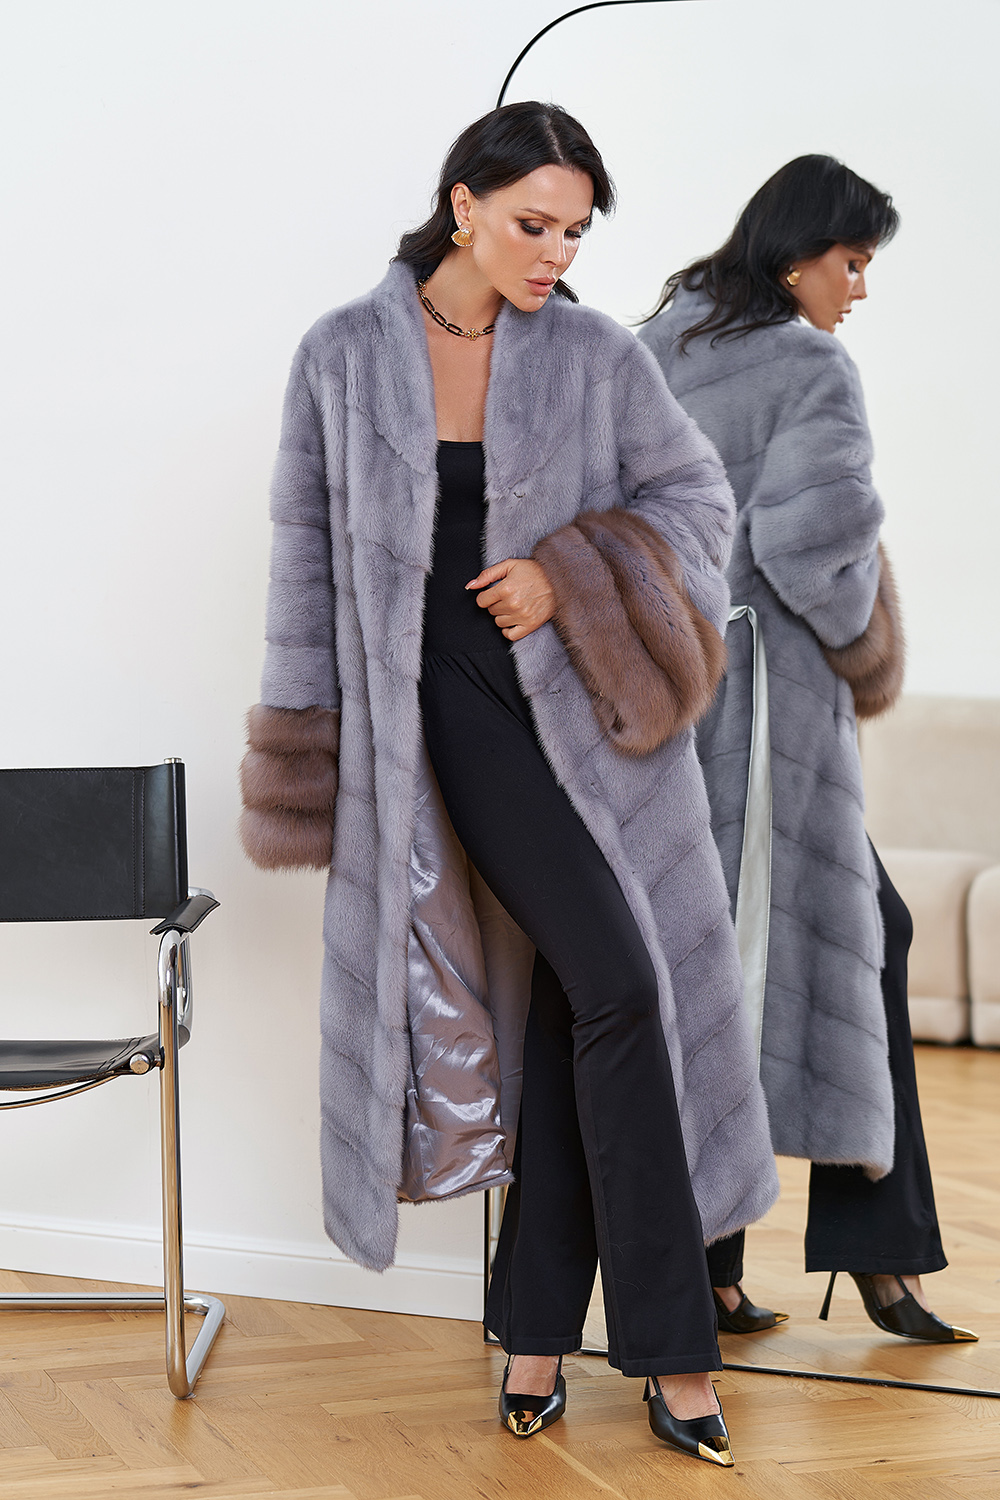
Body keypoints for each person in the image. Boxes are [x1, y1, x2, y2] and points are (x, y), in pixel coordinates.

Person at [239, 101, 778, 1465]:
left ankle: (536, 1333)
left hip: (589, 721)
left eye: (575, 233)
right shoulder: (344, 356)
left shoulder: (595, 355)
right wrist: (311, 760)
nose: (555, 254)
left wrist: (567, 573)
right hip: (441, 713)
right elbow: (305, 570)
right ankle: (675, 1355)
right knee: (618, 984)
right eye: (534, 224)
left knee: (576, 1004)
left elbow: (699, 507)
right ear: (463, 204)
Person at [640, 154, 976, 1345]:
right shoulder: (809, 365)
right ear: (798, 258)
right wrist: (866, 635)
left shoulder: (654, 346)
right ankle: (882, 1259)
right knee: (858, 939)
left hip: (672, 711)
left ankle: (713, 1266)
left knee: (709, 972)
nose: (859, 289)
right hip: (773, 720)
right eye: (853, 262)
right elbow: (815, 558)